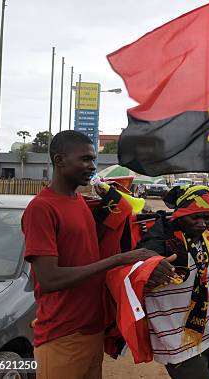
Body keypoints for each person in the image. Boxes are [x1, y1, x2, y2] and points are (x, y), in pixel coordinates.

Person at [21, 130, 172, 379]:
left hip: (91, 331)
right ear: (59, 161)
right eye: (85, 159)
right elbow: (49, 279)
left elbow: (98, 247)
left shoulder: (79, 201)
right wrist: (120, 260)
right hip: (62, 336)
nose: (92, 166)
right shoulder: (41, 208)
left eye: (93, 159)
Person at [133, 184, 209, 379]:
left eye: (207, 217)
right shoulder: (161, 241)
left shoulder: (203, 239)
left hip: (203, 331)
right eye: (195, 217)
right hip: (175, 337)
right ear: (180, 214)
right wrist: (150, 266)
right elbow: (138, 271)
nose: (202, 224)